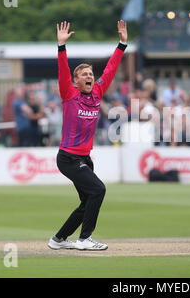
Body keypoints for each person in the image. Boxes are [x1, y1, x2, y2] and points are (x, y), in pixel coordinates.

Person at [48, 20, 127, 251]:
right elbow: (63, 70)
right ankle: (84, 239)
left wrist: (122, 43)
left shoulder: (98, 91)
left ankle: (58, 240)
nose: (89, 76)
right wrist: (61, 47)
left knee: (87, 201)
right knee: (99, 190)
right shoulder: (69, 93)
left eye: (91, 73)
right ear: (76, 81)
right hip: (68, 158)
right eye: (84, 74)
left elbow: (111, 68)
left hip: (85, 158)